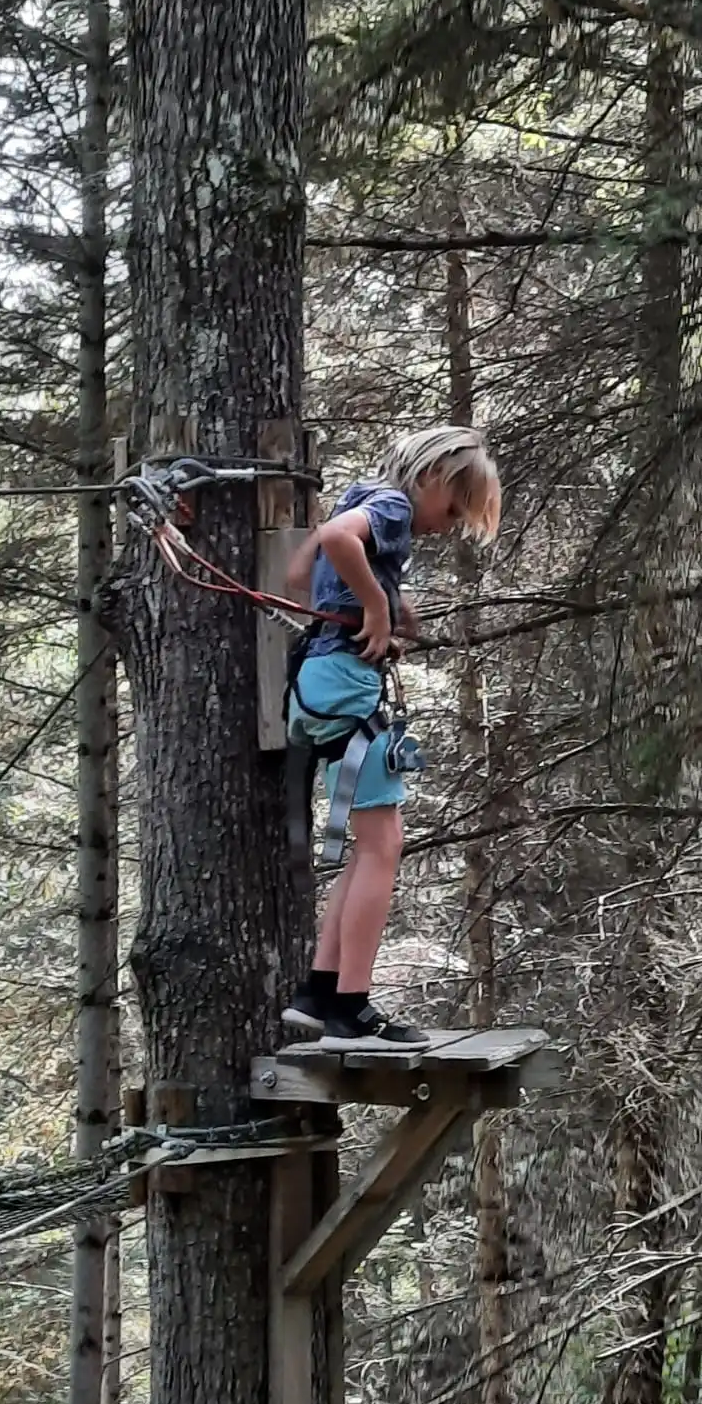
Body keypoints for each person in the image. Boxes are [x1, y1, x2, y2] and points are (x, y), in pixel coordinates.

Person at [281, 427, 501, 1043]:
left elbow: (303, 571)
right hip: (345, 685)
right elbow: (332, 539)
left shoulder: (363, 499)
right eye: (453, 508)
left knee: (367, 846)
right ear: (431, 477)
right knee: (385, 845)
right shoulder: (395, 506)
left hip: (318, 682)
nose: (448, 523)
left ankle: (318, 995)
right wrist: (376, 608)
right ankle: (352, 1006)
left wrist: (380, 603)